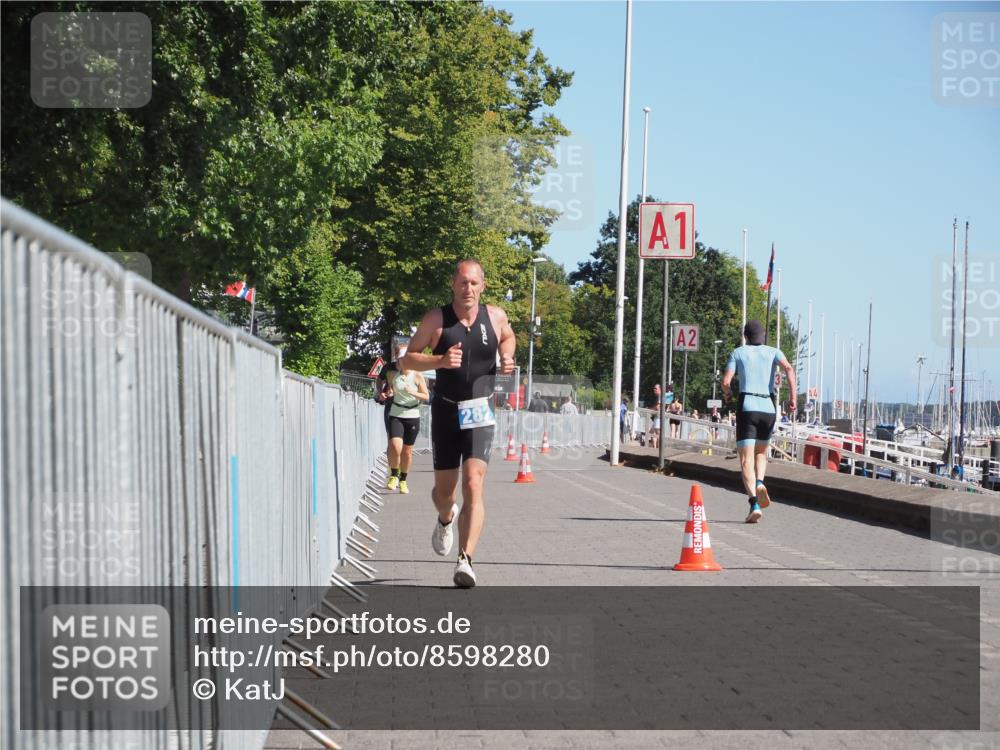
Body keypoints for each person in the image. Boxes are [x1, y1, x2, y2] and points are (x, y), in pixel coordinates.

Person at [399, 259, 515, 588]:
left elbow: (508, 338)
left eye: (475, 283)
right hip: (447, 410)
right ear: (453, 284)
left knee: (474, 484)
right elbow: (406, 359)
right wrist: (438, 360)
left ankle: (465, 560)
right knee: (445, 493)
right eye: (463, 282)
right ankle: (445, 518)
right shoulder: (436, 320)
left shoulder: (495, 317)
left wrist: (507, 357)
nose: (469, 289)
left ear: (484, 285)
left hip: (480, 410)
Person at [721, 319, 797, 524]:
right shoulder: (773, 351)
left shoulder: (738, 353)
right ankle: (761, 481)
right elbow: (789, 369)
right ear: (762, 337)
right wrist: (792, 398)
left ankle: (754, 502)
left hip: (748, 407)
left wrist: (728, 394)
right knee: (761, 453)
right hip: (769, 408)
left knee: (746, 460)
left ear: (746, 336)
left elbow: (726, 382)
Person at [384, 348, 429, 494]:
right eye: (399, 360)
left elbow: (426, 396)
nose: (401, 362)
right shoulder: (393, 375)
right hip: (396, 413)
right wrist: (387, 393)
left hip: (412, 415)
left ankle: (403, 480)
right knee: (395, 447)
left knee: (407, 452)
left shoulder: (417, 376)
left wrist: (413, 392)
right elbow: (389, 391)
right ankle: (394, 475)